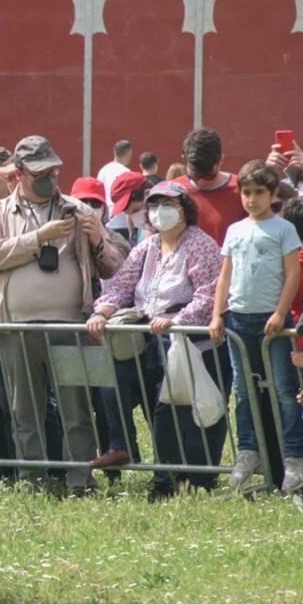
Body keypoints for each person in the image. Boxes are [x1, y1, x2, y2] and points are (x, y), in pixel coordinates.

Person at [0, 136, 128, 494]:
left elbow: (114, 266)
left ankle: (80, 480)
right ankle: (32, 481)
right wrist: (37, 238)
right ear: (19, 174)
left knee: (77, 409)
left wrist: (98, 240)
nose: (49, 178)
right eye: (40, 172)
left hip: (71, 326)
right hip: (14, 327)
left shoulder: (78, 210)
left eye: (53, 171)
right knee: (24, 410)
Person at [87, 181, 225, 498]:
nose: (160, 211)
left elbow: (208, 294)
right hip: (148, 340)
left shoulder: (200, 245)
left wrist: (178, 321)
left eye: (168, 204)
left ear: (184, 209)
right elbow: (122, 285)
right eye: (154, 205)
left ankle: (195, 480)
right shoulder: (146, 247)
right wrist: (102, 312)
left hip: (189, 343)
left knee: (186, 413)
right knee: (142, 401)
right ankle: (161, 476)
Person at [210, 160, 303, 493]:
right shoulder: (235, 230)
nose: (252, 199)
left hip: (271, 320)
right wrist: (217, 314)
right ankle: (248, 450)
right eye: (247, 193)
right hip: (239, 318)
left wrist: (280, 313)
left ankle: (294, 456)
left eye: (259, 192)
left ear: (272, 193)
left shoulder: (283, 229)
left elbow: (292, 274)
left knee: (284, 390)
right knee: (243, 390)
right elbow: (225, 276)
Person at [181, 128, 247, 246]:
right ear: (183, 160)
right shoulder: (173, 191)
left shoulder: (244, 190)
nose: (201, 182)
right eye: (194, 176)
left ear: (221, 159)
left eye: (208, 176)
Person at [108, 171, 150, 246]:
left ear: (147, 195)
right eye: (129, 214)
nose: (134, 219)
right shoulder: (142, 232)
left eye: (136, 210)